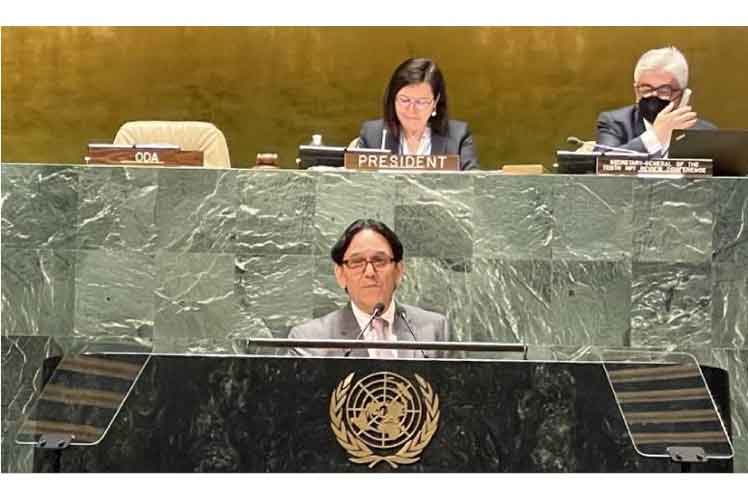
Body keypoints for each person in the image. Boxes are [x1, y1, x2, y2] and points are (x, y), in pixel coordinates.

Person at [288, 219, 449, 358]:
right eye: (357, 262)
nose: (370, 272)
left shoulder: (435, 330)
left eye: (379, 260)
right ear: (340, 274)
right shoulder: (310, 341)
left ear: (399, 270)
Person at [357, 57, 480, 171]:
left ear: (435, 101)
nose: (411, 109)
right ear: (393, 98)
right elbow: (358, 182)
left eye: (421, 102)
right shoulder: (372, 135)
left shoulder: (458, 137)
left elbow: (473, 182)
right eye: (405, 100)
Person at [596, 46, 716, 156]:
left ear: (683, 96)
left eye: (664, 91)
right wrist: (654, 138)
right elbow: (600, 165)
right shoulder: (615, 123)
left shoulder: (706, 134)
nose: (654, 96)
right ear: (636, 91)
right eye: (646, 89)